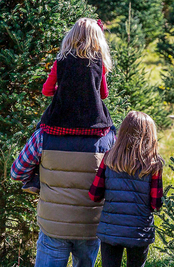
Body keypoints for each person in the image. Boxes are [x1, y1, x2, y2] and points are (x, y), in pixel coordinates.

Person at [10, 18, 116, 267]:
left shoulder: (46, 133)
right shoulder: (106, 136)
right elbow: (113, 178)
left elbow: (17, 169)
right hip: (90, 226)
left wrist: (38, 181)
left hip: (53, 224)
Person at [88, 111, 163, 267]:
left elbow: (94, 194)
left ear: (122, 132)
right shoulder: (154, 164)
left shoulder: (109, 158)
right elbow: (155, 204)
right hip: (139, 232)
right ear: (149, 136)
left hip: (110, 231)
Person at [20, 18, 113, 193]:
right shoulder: (99, 62)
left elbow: (47, 91)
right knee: (112, 131)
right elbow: (103, 95)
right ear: (97, 39)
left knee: (40, 131)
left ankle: (34, 178)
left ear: (71, 36)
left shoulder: (61, 60)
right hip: (94, 125)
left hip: (59, 123)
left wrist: (63, 90)